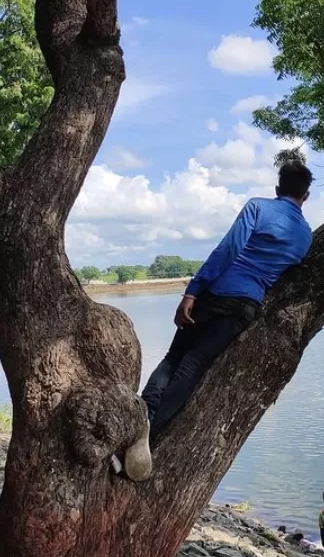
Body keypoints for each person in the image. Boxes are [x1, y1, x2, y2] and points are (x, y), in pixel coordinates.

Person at [120, 161, 314, 481]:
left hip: (216, 293)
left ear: (277, 189)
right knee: (192, 367)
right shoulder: (305, 236)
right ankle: (151, 436)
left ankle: (140, 424)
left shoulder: (258, 207)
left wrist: (193, 291)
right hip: (246, 306)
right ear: (305, 196)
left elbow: (229, 249)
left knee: (174, 359)